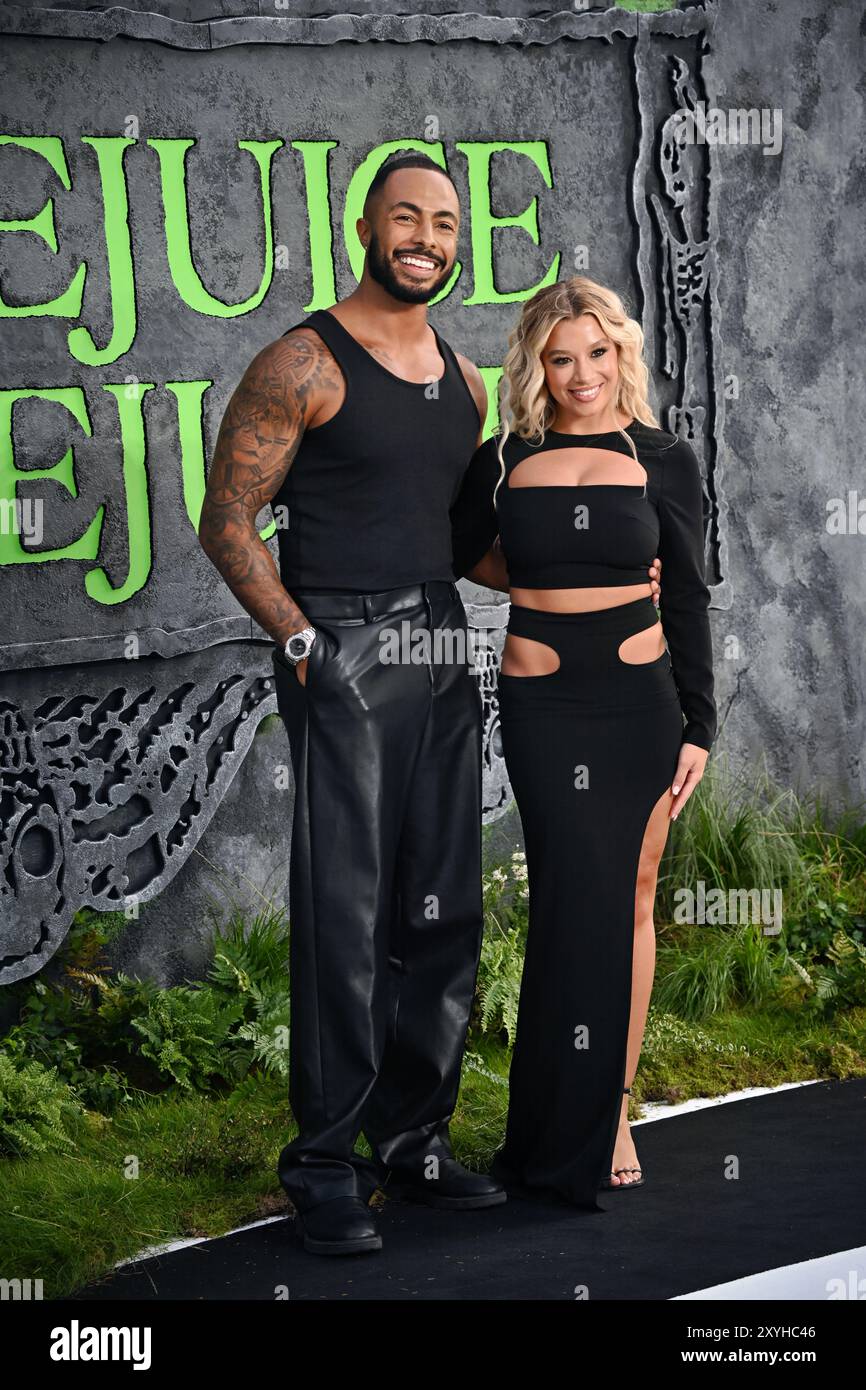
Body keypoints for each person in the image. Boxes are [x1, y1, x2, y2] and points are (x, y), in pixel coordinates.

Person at [453, 276, 716, 1208]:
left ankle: (612, 1106)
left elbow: (685, 592)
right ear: (537, 364)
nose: (581, 375)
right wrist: (538, 568)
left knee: (634, 894)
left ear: (621, 355)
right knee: (571, 899)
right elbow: (463, 550)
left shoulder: (663, 459)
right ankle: (546, 1127)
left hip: (640, 703)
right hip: (542, 706)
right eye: (561, 359)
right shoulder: (502, 458)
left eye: (597, 354)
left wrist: (700, 725)